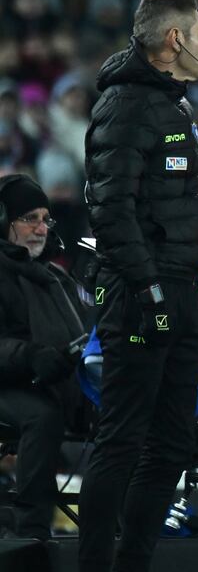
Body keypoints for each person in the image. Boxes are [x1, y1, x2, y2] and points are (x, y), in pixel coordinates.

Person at [74, 0, 198, 572]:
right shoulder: (127, 104)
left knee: (171, 445)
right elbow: (110, 209)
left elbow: (171, 211)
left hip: (180, 291)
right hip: (140, 296)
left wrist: (192, 289)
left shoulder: (169, 105)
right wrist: (150, 289)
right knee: (122, 440)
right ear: (174, 41)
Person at [0, 174, 89, 539]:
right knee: (43, 416)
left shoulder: (56, 277)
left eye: (45, 219)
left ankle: (116, 529)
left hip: (53, 380)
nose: (41, 229)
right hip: (11, 383)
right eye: (29, 218)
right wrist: (33, 356)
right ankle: (31, 531)